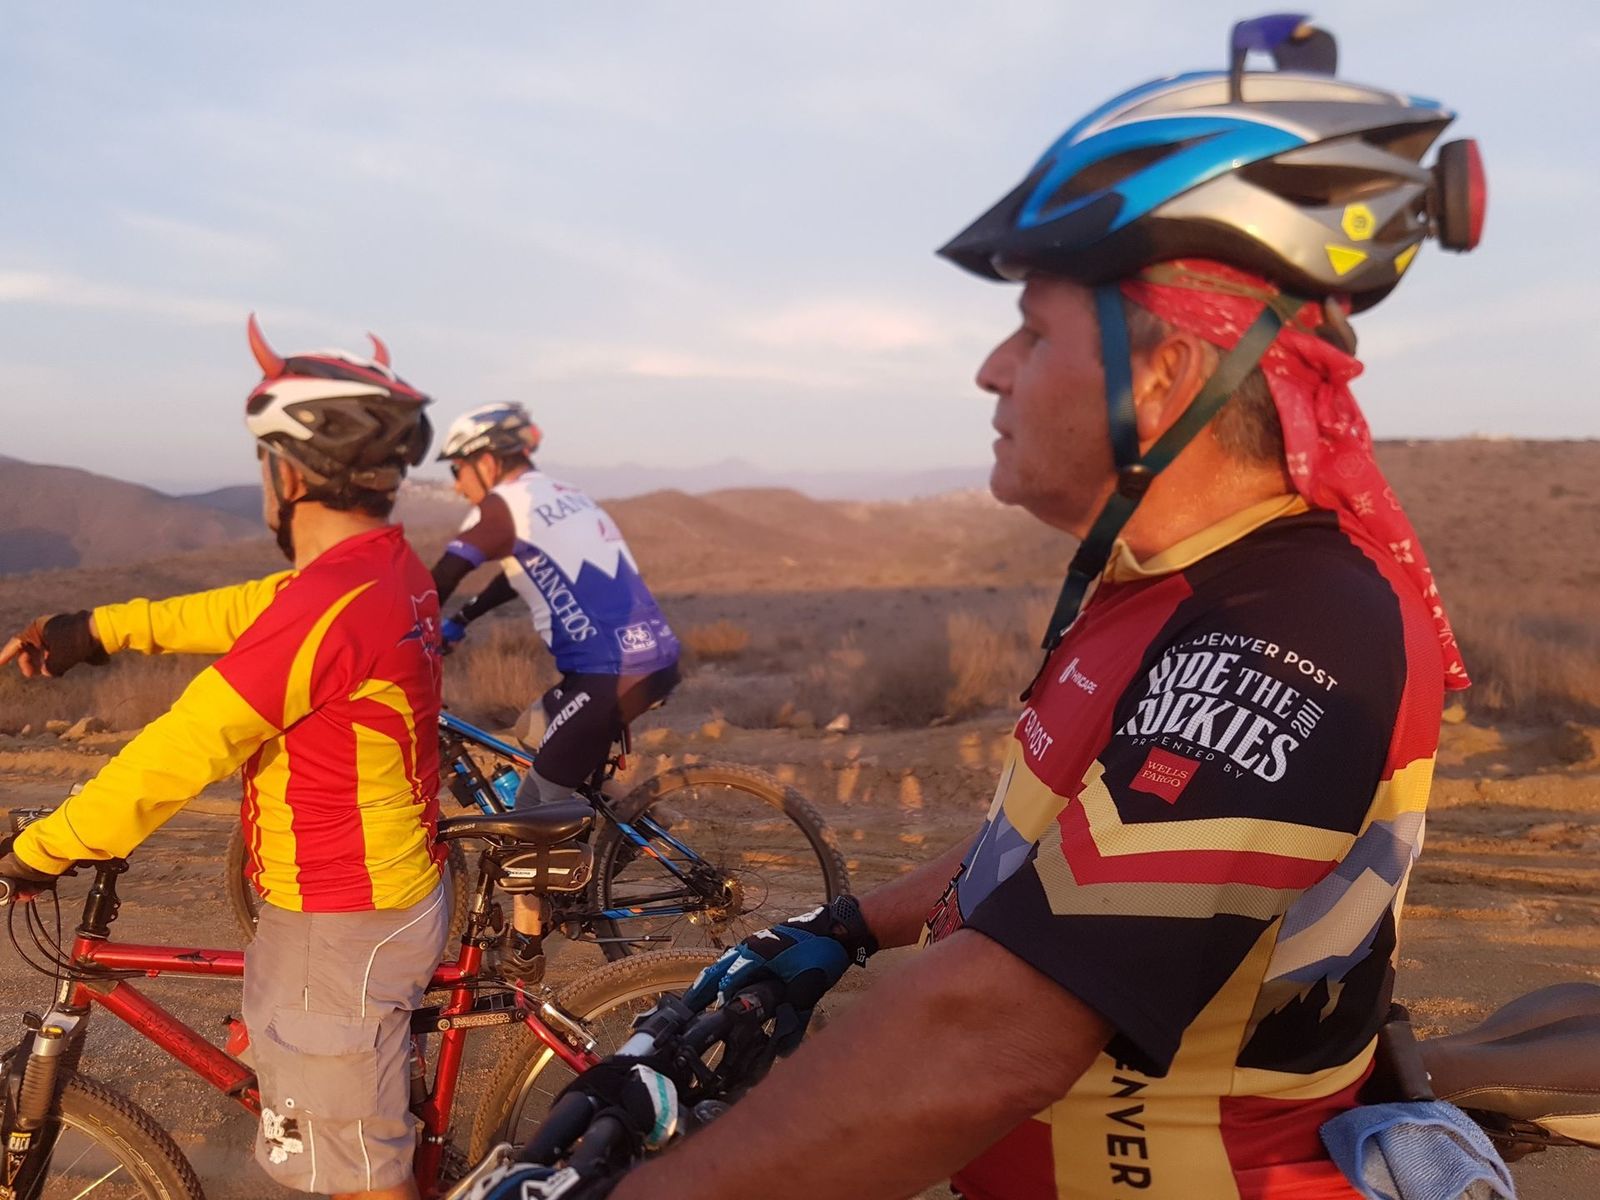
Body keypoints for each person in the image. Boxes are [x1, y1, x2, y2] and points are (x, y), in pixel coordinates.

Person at [491, 16, 1486, 1200]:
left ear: (1164, 369)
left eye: (1032, 329)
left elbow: (992, 1035)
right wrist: (847, 927)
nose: (990, 370)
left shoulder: (1293, 623)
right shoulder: (1159, 591)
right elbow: (1056, 851)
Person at [0, 317, 447, 1200]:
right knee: (337, 1132)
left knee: (361, 1178)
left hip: (342, 915)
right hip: (354, 900)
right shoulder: (378, 570)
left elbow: (183, 746)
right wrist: (97, 630)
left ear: (288, 473)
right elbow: (241, 609)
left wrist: (41, 848)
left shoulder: (332, 605)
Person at [429, 402, 681, 981]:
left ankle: (524, 947)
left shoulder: (506, 504)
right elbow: (515, 574)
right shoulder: (559, 495)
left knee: (530, 807)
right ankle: (625, 822)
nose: (458, 484)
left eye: (458, 468)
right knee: (531, 730)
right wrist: (462, 619)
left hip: (608, 673)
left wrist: (399, 627)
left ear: (487, 460)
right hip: (644, 660)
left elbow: (442, 575)